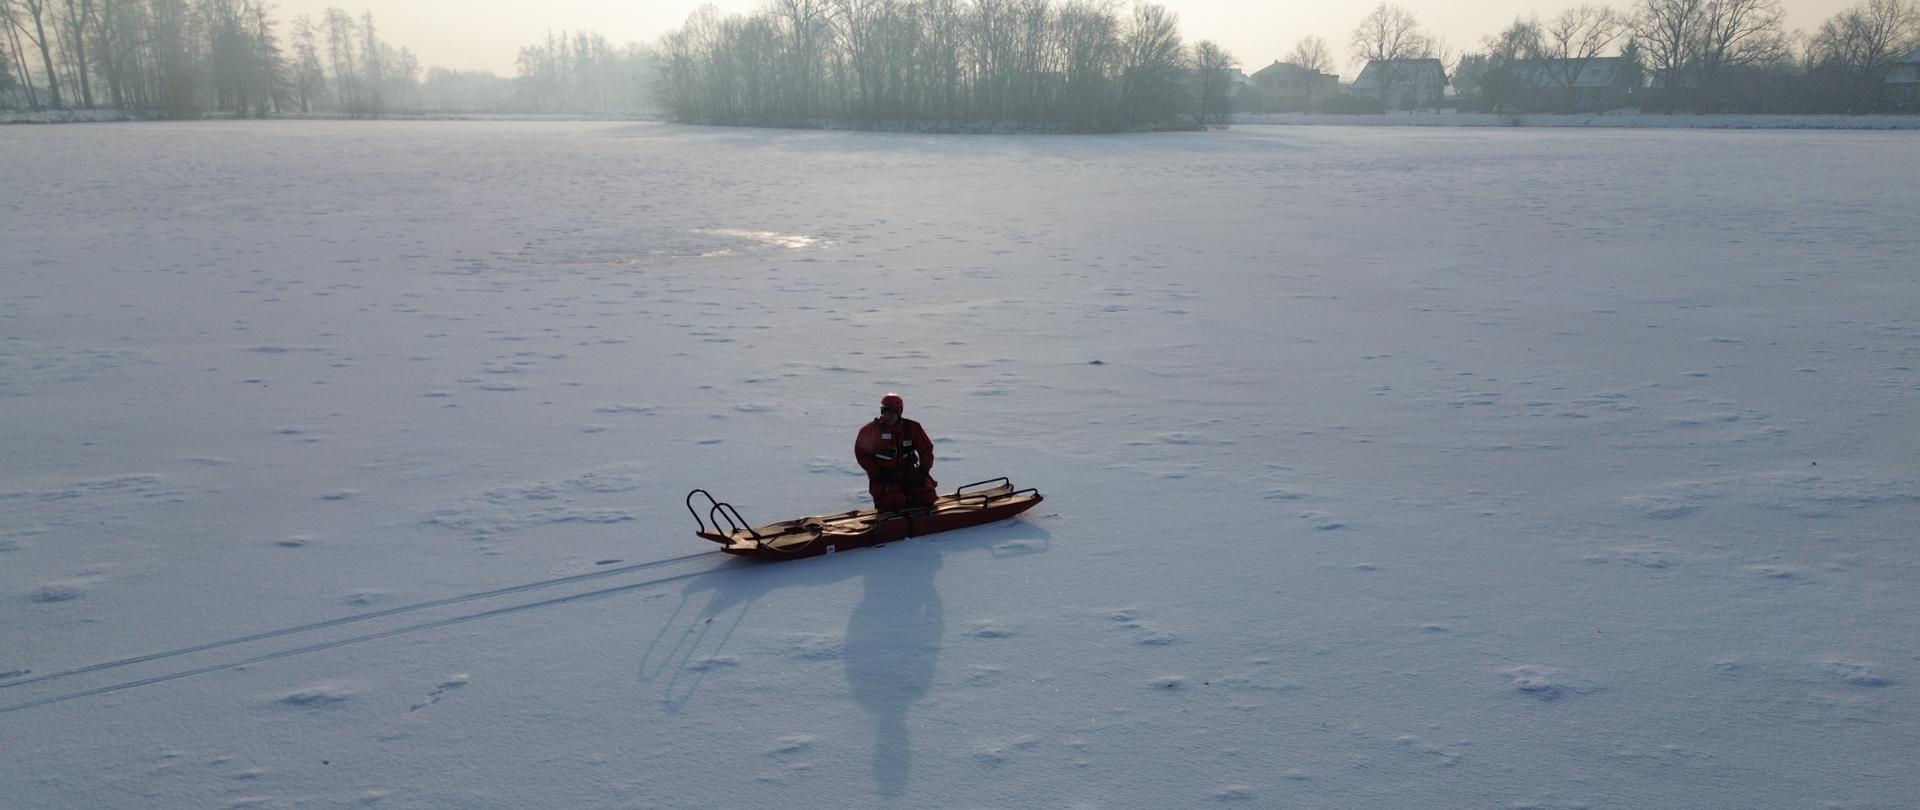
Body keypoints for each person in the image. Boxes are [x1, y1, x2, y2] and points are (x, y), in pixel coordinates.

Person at [855, 392, 938, 511]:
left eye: (891, 412)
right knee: (894, 501)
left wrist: (923, 471)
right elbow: (862, 454)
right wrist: (877, 472)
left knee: (928, 496)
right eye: (884, 411)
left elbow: (926, 449)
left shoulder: (912, 428)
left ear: (899, 412)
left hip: (909, 474)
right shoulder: (871, 430)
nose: (887, 416)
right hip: (885, 478)